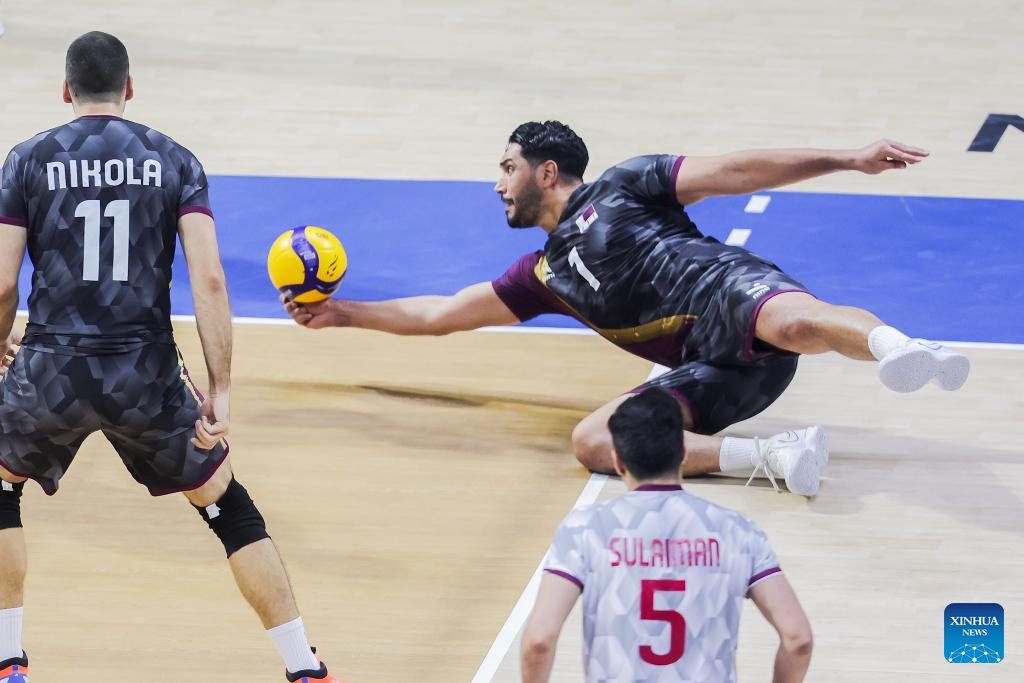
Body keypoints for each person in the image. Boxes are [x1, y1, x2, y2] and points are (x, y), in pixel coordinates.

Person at [281, 120, 970, 497]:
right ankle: (772, 457)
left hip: (728, 291)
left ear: (547, 171)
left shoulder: (625, 184)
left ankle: (903, 349)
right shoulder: (542, 275)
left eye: (507, 168)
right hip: (718, 372)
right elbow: (440, 314)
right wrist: (343, 314)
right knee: (594, 440)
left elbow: (737, 171)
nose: (498, 184)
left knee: (792, 321)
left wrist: (848, 158)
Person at [0, 32, 340, 682]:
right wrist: (221, 387)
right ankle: (305, 668)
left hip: (50, 370)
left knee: (0, 489)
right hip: (145, 375)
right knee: (227, 506)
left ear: (66, 90)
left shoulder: (25, 160)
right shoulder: (173, 159)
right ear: (129, 88)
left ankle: (7, 661)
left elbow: (2, 285)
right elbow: (209, 278)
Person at [520, 389, 813, 683]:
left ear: (617, 461)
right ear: (683, 454)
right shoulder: (738, 531)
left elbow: (539, 640)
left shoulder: (585, 528)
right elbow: (798, 639)